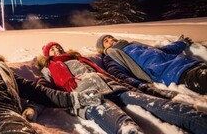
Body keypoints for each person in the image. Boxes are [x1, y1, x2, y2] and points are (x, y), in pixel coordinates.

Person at [26, 41, 207, 134]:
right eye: (52, 49)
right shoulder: (49, 69)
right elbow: (43, 89)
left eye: (58, 47)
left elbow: (113, 73)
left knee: (164, 107)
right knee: (125, 126)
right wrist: (33, 108)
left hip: (114, 86)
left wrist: (148, 90)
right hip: (87, 97)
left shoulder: (80, 59)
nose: (57, 50)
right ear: (47, 55)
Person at [96, 34, 207, 95]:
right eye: (106, 40)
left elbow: (163, 50)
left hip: (188, 62)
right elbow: (119, 75)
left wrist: (181, 43)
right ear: (103, 48)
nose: (111, 39)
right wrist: (140, 87)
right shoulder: (111, 56)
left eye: (110, 37)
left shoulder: (133, 44)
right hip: (174, 73)